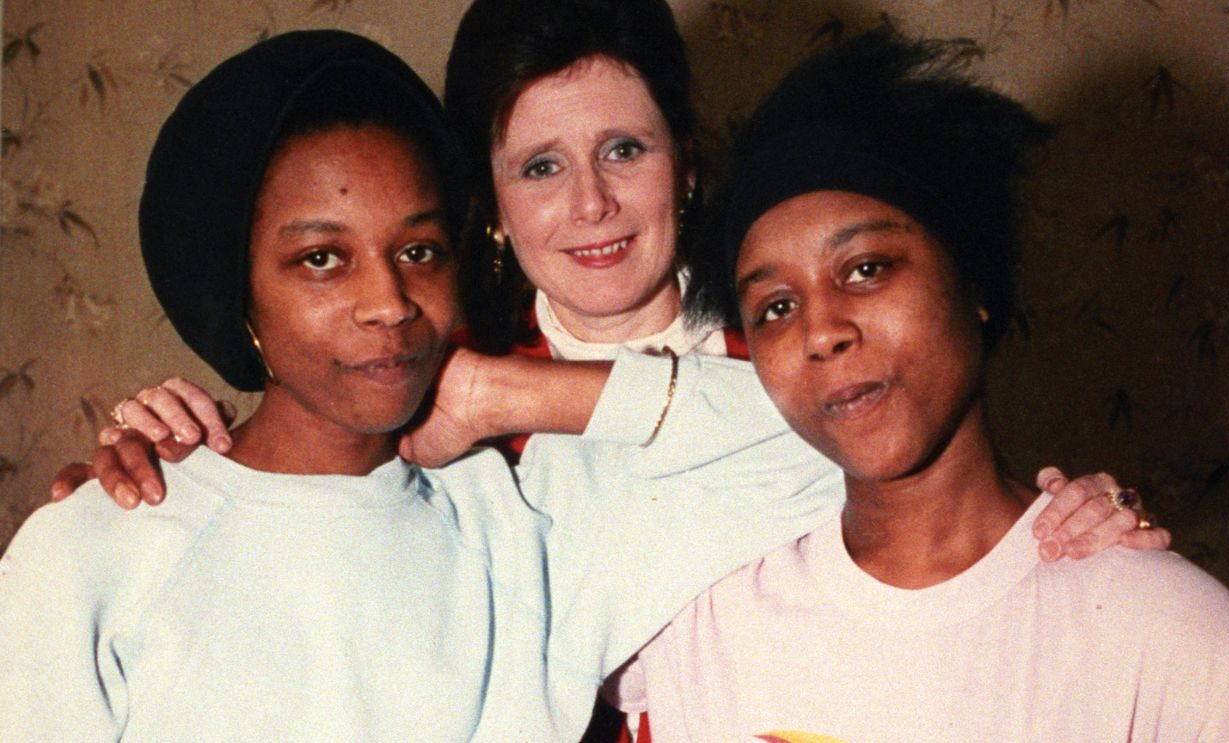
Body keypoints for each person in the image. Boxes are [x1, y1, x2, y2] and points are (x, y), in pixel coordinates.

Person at [0, 30, 850, 741]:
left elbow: (831, 438)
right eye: (321, 259)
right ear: (239, 290)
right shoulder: (93, 551)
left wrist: (505, 394)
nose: (387, 303)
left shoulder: (523, 525)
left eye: (417, 252)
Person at [598, 29, 1229, 741]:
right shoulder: (700, 618)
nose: (821, 331)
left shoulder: (1159, 630)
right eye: (775, 308)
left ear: (972, 282)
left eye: (865, 269)